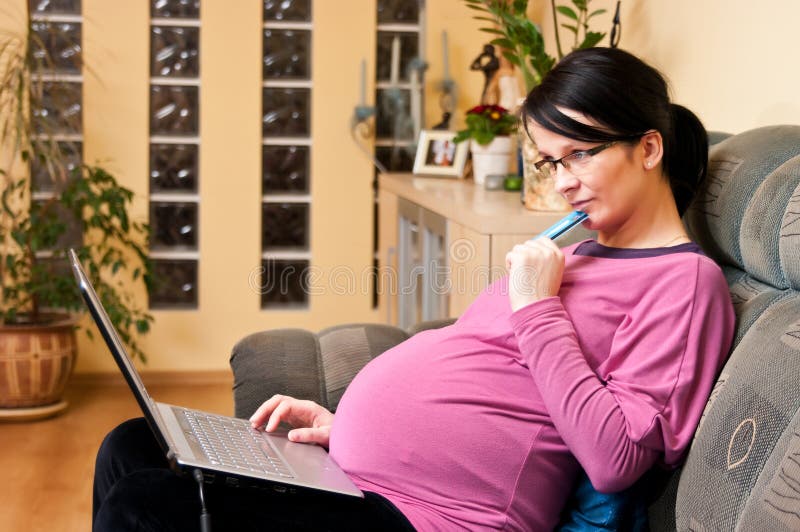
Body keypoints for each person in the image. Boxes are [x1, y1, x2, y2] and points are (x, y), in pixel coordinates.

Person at [93, 48, 735, 531]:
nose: (562, 182)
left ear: (648, 148)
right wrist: (344, 427)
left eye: (579, 155)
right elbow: (484, 378)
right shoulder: (578, 252)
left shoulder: (684, 283)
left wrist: (537, 305)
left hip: (435, 521)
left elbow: (617, 458)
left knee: (142, 507)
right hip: (363, 479)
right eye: (550, 161)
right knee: (130, 445)